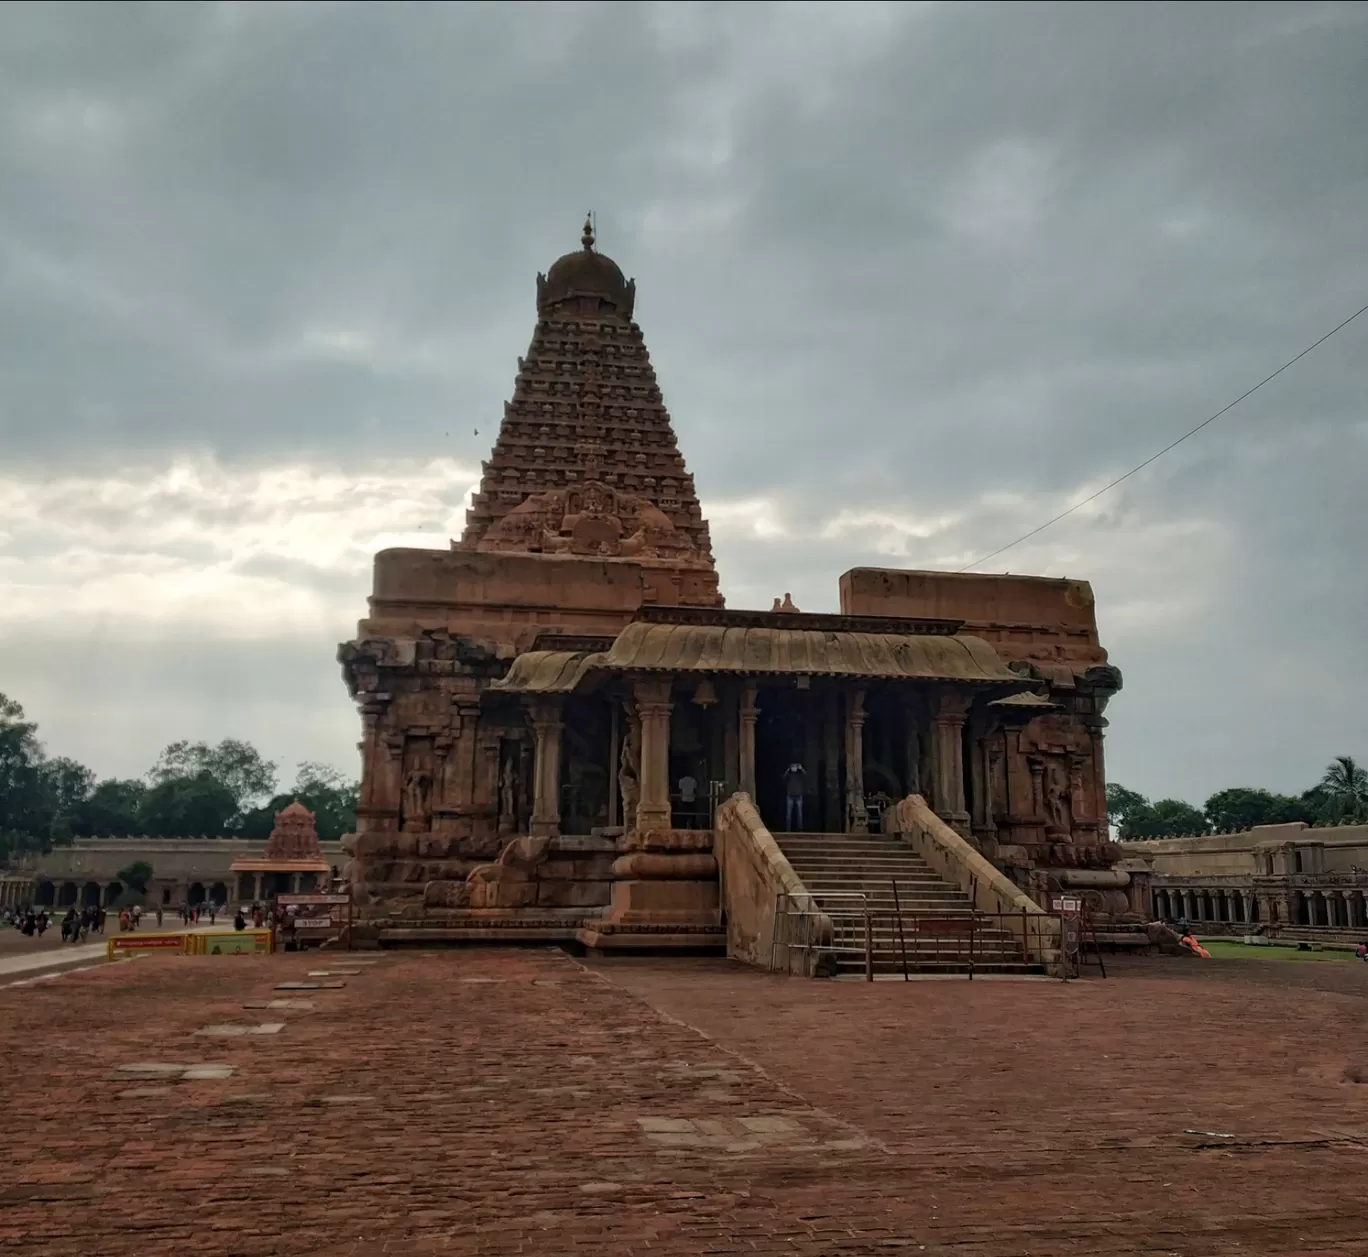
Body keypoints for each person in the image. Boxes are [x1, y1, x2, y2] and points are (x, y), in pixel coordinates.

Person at [782, 762, 807, 830]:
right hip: (790, 795)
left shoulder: (800, 775)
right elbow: (784, 777)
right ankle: (788, 829)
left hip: (798, 795)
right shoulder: (789, 775)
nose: (794, 768)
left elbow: (805, 775)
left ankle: (800, 829)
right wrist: (788, 769)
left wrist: (801, 768)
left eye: (795, 766)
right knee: (788, 814)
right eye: (793, 766)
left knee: (799, 814)